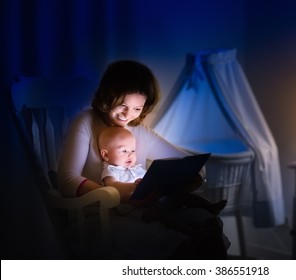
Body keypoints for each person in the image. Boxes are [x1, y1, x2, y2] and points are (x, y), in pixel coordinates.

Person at [57, 59, 230, 259]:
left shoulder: (139, 130)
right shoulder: (85, 121)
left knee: (205, 222)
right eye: (122, 104)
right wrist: (119, 195)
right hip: (98, 216)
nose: (127, 115)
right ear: (107, 96)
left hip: (143, 209)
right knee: (174, 242)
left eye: (137, 109)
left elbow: (188, 162)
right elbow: (67, 180)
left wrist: (192, 176)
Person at [97, 126, 227, 238]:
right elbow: (113, 185)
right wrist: (133, 186)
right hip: (132, 205)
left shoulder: (136, 168)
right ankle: (191, 233)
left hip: (153, 197)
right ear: (106, 155)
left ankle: (210, 206)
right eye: (124, 151)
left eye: (133, 151)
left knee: (180, 195)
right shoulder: (111, 170)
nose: (130, 155)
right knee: (160, 215)